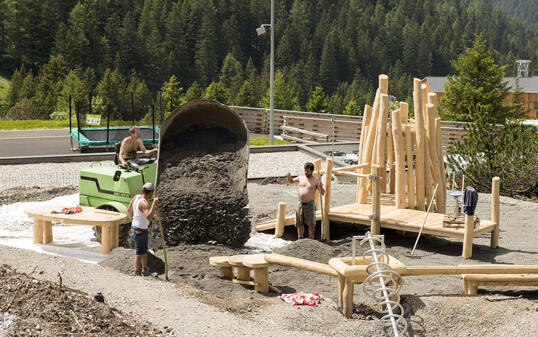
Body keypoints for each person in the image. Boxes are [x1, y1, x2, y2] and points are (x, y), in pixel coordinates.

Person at [285, 162, 325, 239]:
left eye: (308, 171)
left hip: (310, 204)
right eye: (305, 170)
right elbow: (291, 181)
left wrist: (320, 185)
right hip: (300, 204)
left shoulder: (315, 181)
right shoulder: (301, 178)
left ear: (312, 171)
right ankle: (300, 238)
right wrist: (289, 177)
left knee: (311, 223)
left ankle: (311, 239)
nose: (306, 172)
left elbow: (322, 193)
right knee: (300, 222)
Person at [127, 182, 158, 276]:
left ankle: (145, 269)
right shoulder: (144, 203)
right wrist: (153, 204)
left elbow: (129, 210)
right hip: (140, 230)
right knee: (139, 252)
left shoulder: (136, 197)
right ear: (151, 192)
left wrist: (133, 220)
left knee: (144, 250)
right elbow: (148, 217)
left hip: (136, 228)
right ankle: (136, 271)